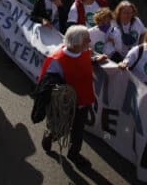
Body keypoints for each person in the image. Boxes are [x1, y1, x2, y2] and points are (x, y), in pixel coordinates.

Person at [38, 25, 107, 166]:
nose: (90, 43)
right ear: (76, 43)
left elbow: (84, 63)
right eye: (86, 40)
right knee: (60, 126)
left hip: (84, 100)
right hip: (66, 104)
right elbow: (45, 83)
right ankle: (50, 136)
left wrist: (95, 61)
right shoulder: (57, 60)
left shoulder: (84, 52)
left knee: (78, 130)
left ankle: (74, 154)